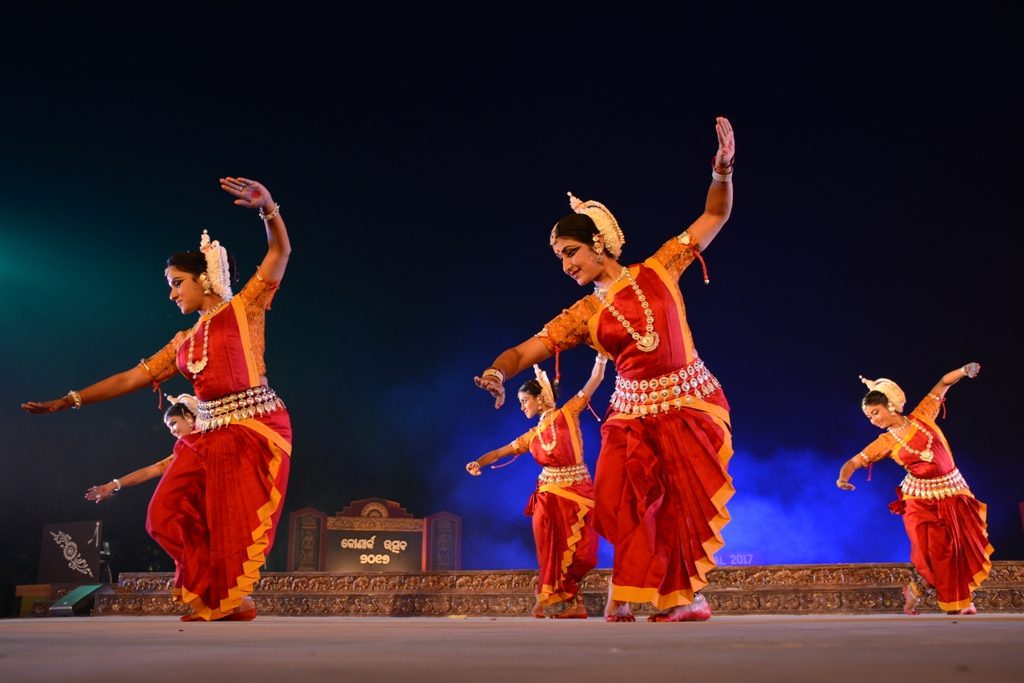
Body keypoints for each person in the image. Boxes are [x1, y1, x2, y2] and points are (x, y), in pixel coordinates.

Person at [474, 117, 735, 622]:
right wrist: (495, 371)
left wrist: (722, 172)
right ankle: (636, 589)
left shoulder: (658, 268)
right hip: (630, 417)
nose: (566, 265)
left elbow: (713, 216)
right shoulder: (583, 315)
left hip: (689, 403)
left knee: (682, 503)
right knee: (618, 501)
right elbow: (527, 350)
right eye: (559, 258)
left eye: (570, 253)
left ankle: (680, 598)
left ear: (598, 243)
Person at [23, 176, 292, 622]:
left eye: (177, 282)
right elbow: (131, 377)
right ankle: (216, 592)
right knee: (163, 514)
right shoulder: (183, 343)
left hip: (252, 428)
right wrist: (66, 401)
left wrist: (269, 210)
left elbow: (279, 254)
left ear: (204, 279)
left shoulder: (244, 309)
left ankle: (231, 601)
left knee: (232, 523)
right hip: (207, 435)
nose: (172, 293)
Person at [836, 362, 994, 616]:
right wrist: (842, 478)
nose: (873, 420)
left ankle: (951, 596)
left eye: (875, 413)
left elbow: (943, 383)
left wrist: (964, 371)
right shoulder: (885, 441)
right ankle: (952, 599)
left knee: (960, 545)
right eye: (869, 417)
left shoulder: (922, 415)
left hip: (953, 491)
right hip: (920, 500)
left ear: (890, 405)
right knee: (935, 553)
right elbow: (854, 461)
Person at [467, 355, 607, 619]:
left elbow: (595, 380)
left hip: (579, 492)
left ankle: (565, 597)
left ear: (540, 397)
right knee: (551, 553)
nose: (521, 408)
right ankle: (566, 602)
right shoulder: (531, 436)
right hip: (547, 498)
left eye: (524, 401)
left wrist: (600, 356)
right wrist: (479, 463)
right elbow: (500, 452)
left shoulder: (568, 414)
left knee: (585, 555)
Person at [84, 394, 198, 504]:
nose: (172, 431)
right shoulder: (184, 451)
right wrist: (113, 485)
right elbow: (150, 471)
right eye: (169, 427)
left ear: (187, 417)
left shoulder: (210, 438)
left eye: (173, 423)